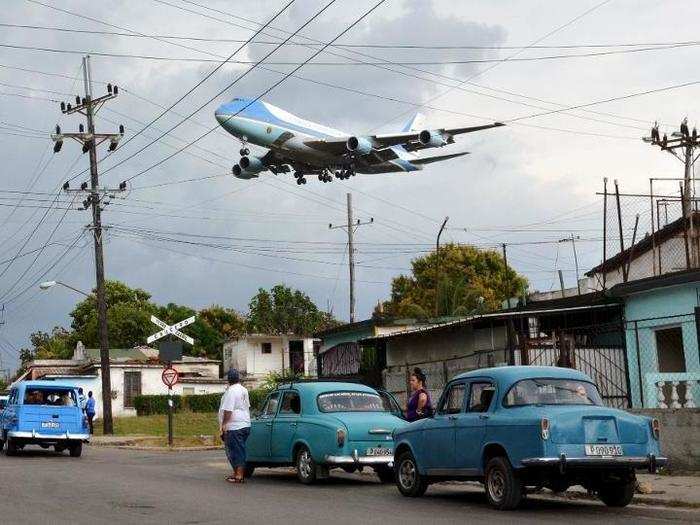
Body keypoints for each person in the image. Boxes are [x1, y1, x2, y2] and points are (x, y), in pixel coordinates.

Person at [218, 368, 251, 484]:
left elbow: (228, 410)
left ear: (228, 380)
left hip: (235, 426)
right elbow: (247, 406)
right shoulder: (244, 390)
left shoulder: (231, 391)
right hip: (245, 424)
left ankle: (239, 475)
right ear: (238, 378)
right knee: (236, 449)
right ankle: (237, 472)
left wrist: (224, 424)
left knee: (236, 451)